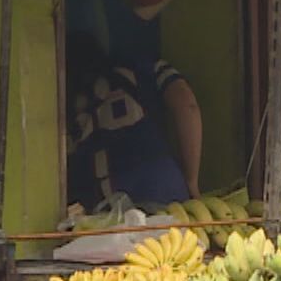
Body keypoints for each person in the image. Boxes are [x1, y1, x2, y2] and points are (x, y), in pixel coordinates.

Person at [64, 32, 195, 210]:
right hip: (166, 194)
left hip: (108, 213)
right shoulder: (140, 68)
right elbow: (186, 103)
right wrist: (191, 178)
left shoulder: (62, 101)